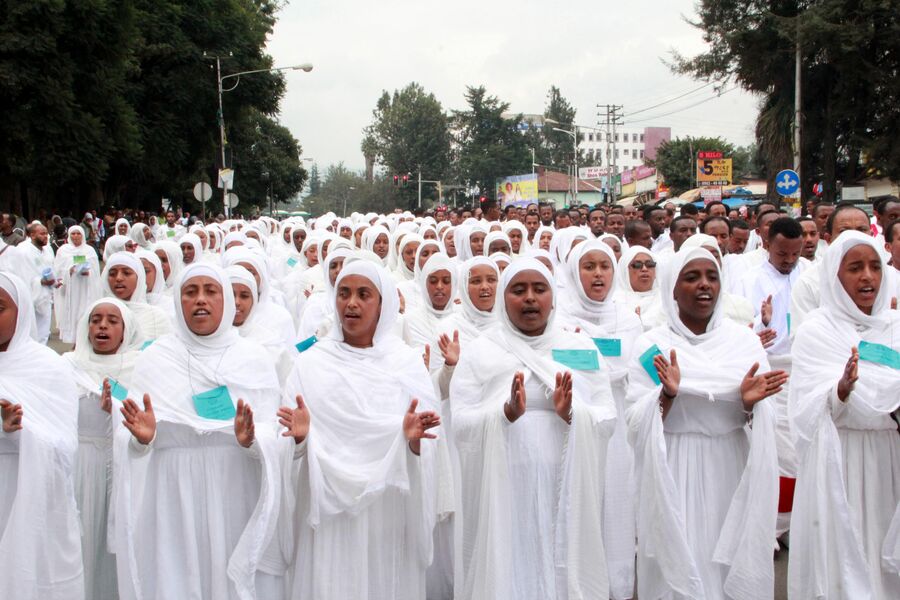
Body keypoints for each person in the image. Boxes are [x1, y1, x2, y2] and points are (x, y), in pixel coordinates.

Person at [112, 263, 287, 599]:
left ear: (227, 302)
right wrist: (142, 440)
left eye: (211, 291)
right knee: (176, 577)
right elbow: (131, 435)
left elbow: (272, 430)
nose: (200, 300)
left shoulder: (253, 359)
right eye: (190, 292)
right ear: (178, 301)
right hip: (172, 491)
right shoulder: (155, 359)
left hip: (235, 485)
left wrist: (252, 440)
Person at [449, 258, 617, 600]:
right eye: (518, 289)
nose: (529, 298)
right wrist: (503, 414)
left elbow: (607, 416)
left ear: (553, 298)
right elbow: (461, 422)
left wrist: (573, 413)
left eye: (539, 289)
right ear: (502, 297)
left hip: (564, 486)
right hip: (503, 489)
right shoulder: (482, 351)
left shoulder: (579, 347)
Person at [626, 247, 785, 600]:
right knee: (676, 569)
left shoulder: (743, 342)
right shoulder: (651, 345)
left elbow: (762, 417)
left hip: (730, 466)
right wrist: (666, 396)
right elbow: (635, 423)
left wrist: (749, 406)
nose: (704, 286)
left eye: (712, 277)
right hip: (672, 467)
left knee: (725, 566)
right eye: (692, 277)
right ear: (671, 287)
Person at [280, 260, 442, 599]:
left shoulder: (406, 363)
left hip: (388, 508)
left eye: (363, 294)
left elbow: (428, 444)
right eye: (344, 293)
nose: (351, 303)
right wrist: (300, 440)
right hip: (327, 510)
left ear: (383, 305)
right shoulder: (311, 364)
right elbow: (290, 442)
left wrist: (412, 445)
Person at [788, 232, 900, 599]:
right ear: (834, 276)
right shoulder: (817, 330)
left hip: (890, 456)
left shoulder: (895, 327)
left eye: (874, 267)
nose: (867, 277)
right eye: (855, 268)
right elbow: (805, 405)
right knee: (844, 555)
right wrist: (840, 391)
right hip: (840, 458)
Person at [556, 240, 643, 599]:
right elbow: (562, 364)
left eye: (604, 266)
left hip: (618, 421)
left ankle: (617, 586)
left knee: (617, 501)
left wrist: (588, 349)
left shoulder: (628, 318)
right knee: (579, 499)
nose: (597, 274)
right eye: (588, 266)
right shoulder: (559, 317)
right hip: (575, 419)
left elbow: (633, 366)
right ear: (574, 273)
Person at [0, 272, 84, 599]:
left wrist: (19, 432)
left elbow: (65, 447)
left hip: (28, 494)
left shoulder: (49, 367)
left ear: (21, 312)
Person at [63, 298, 142, 599]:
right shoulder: (67, 366)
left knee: (116, 550)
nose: (102, 327)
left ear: (126, 329)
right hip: (79, 468)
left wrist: (119, 411)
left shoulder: (139, 368)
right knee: (79, 543)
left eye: (112, 321)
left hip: (123, 468)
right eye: (96, 320)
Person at [100, 252, 173, 342]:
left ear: (139, 278)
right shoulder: (97, 314)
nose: (118, 278)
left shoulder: (155, 317)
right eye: (112, 274)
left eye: (126, 273)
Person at [53, 225, 102, 343]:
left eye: (78, 233)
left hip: (86, 287)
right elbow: (58, 268)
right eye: (73, 234)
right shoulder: (63, 250)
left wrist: (88, 271)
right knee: (73, 313)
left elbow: (95, 268)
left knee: (84, 312)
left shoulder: (89, 250)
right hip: (70, 288)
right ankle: (74, 341)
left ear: (83, 235)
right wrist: (69, 270)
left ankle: (85, 340)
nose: (75, 236)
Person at [11, 222, 57, 343]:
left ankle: (42, 354)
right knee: (31, 331)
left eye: (46, 234)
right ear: (32, 235)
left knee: (44, 330)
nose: (45, 236)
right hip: (30, 296)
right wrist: (40, 282)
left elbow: (51, 267)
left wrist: (55, 281)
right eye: (42, 234)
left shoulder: (47, 250)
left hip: (46, 296)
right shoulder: (23, 251)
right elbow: (22, 274)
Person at [614, 246, 663, 331]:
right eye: (637, 265)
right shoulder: (615, 301)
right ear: (625, 271)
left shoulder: (666, 300)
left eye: (650, 265)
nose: (644, 269)